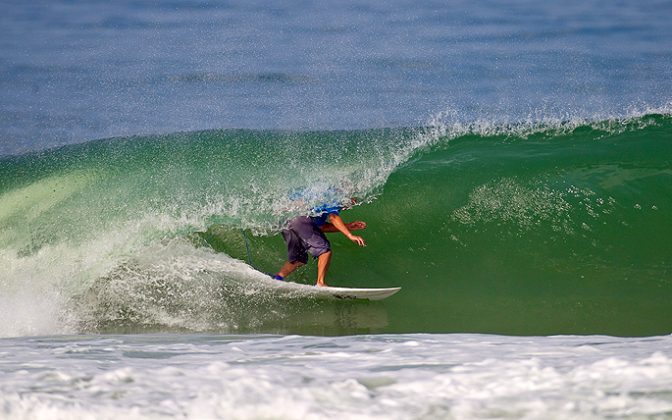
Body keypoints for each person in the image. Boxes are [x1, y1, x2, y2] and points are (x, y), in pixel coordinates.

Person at [272, 200, 366, 287]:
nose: (353, 203)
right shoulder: (336, 198)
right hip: (301, 220)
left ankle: (278, 278)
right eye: (353, 200)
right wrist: (350, 235)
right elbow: (333, 217)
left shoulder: (321, 196)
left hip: (286, 220)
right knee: (324, 250)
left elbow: (319, 227)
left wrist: (348, 226)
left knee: (298, 258)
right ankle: (320, 282)